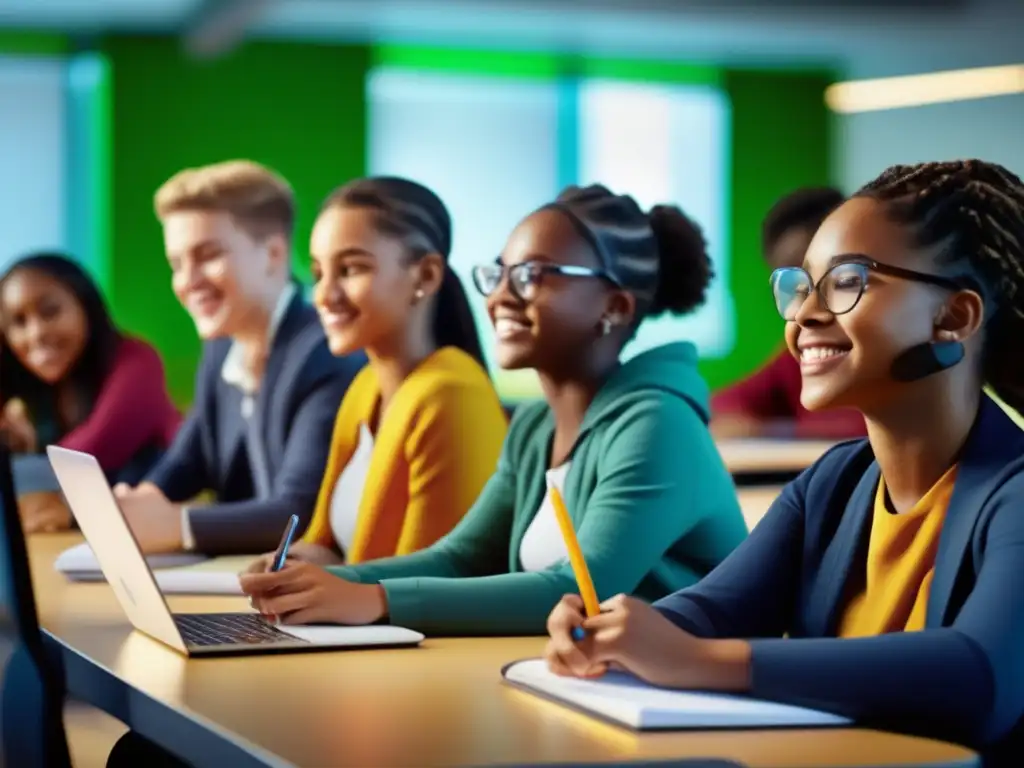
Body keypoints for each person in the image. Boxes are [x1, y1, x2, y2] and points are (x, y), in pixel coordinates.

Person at [543, 160, 1024, 765]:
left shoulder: (1014, 494)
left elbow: (980, 677)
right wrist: (611, 632)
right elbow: (709, 610)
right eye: (800, 286)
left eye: (848, 281)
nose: (804, 314)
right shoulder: (832, 484)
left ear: (954, 318)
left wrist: (694, 661)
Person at [240, 184, 749, 635]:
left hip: (679, 699)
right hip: (587, 680)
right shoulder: (534, 427)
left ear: (613, 307)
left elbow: (577, 589)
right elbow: (462, 558)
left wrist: (374, 600)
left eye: (530, 276)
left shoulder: (658, 425)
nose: (500, 297)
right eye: (499, 274)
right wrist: (321, 582)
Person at [251, 177, 507, 567]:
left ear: (425, 277)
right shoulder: (364, 386)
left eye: (351, 269)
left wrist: (324, 587)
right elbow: (326, 544)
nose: (325, 295)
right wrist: (286, 566)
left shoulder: (452, 393)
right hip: (359, 626)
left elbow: (423, 584)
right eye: (320, 272)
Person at [114, 160, 365, 556]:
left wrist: (176, 525)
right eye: (176, 264)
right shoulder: (223, 346)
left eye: (208, 255)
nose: (187, 280)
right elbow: (189, 457)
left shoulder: (325, 352)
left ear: (273, 253)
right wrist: (138, 502)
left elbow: (298, 511)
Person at [0, 253, 180, 534]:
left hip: (158, 542)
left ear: (85, 305)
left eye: (50, 312)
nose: (36, 334)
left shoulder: (137, 362)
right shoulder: (30, 391)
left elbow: (84, 457)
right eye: (19, 322)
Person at [711, 186, 867, 439]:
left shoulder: (882, 348)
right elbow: (720, 407)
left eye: (838, 280)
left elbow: (868, 430)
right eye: (793, 286)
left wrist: (770, 431)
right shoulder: (802, 354)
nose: (806, 311)